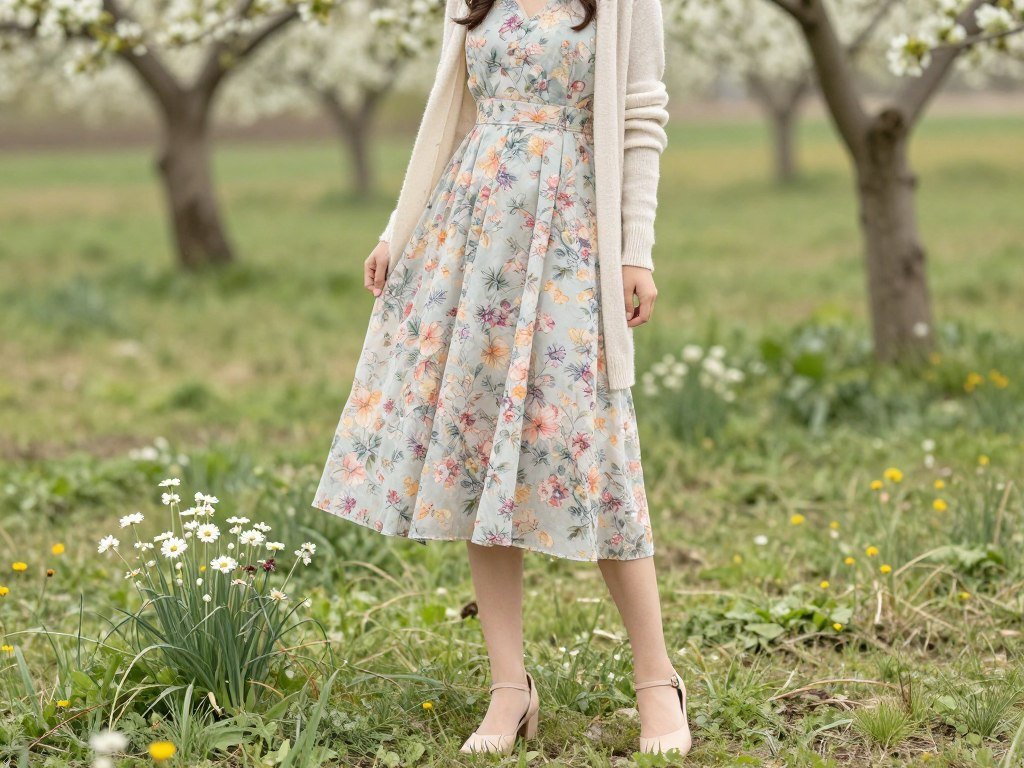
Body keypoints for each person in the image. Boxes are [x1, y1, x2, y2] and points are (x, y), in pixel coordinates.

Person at [312, 0, 691, 756]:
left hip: (572, 236)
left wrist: (635, 250)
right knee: (479, 449)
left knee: (600, 452)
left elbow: (642, 115)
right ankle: (509, 689)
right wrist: (397, 228)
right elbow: (446, 117)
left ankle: (657, 681)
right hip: (472, 234)